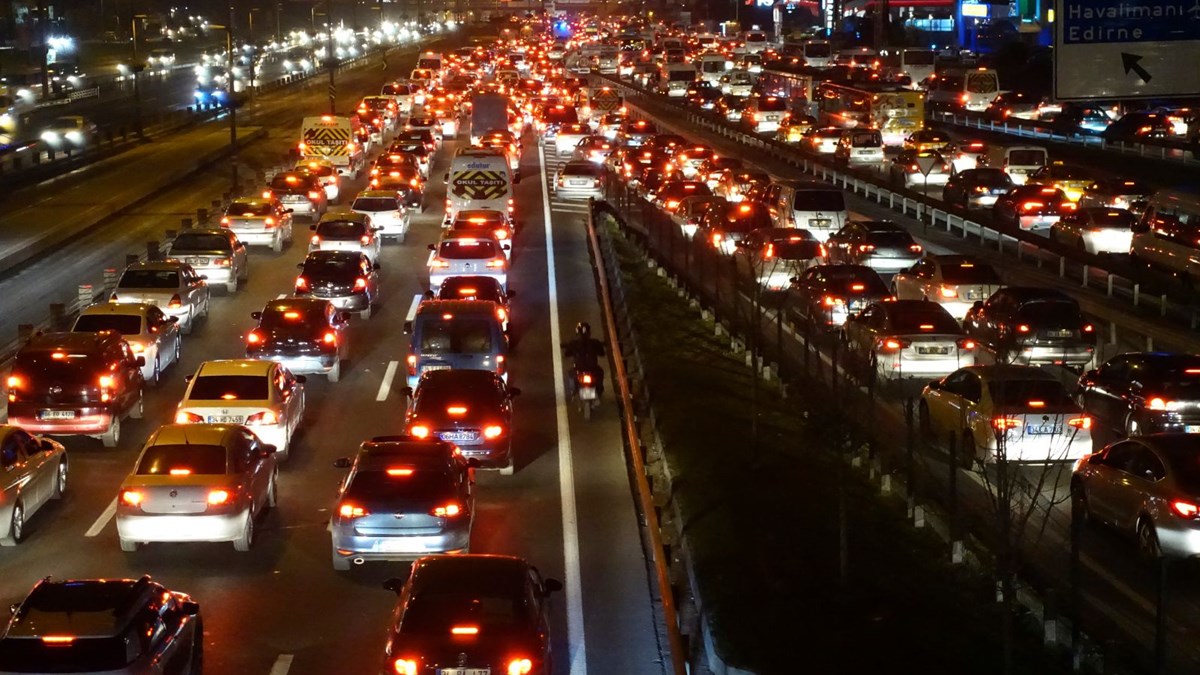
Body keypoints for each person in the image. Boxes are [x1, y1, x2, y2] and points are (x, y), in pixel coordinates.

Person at [562, 321, 605, 397]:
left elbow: (567, 354)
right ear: (589, 332)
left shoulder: (573, 343)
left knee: (570, 374)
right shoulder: (595, 342)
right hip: (593, 369)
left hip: (579, 369)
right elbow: (602, 353)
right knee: (600, 372)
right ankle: (598, 391)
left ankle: (573, 392)